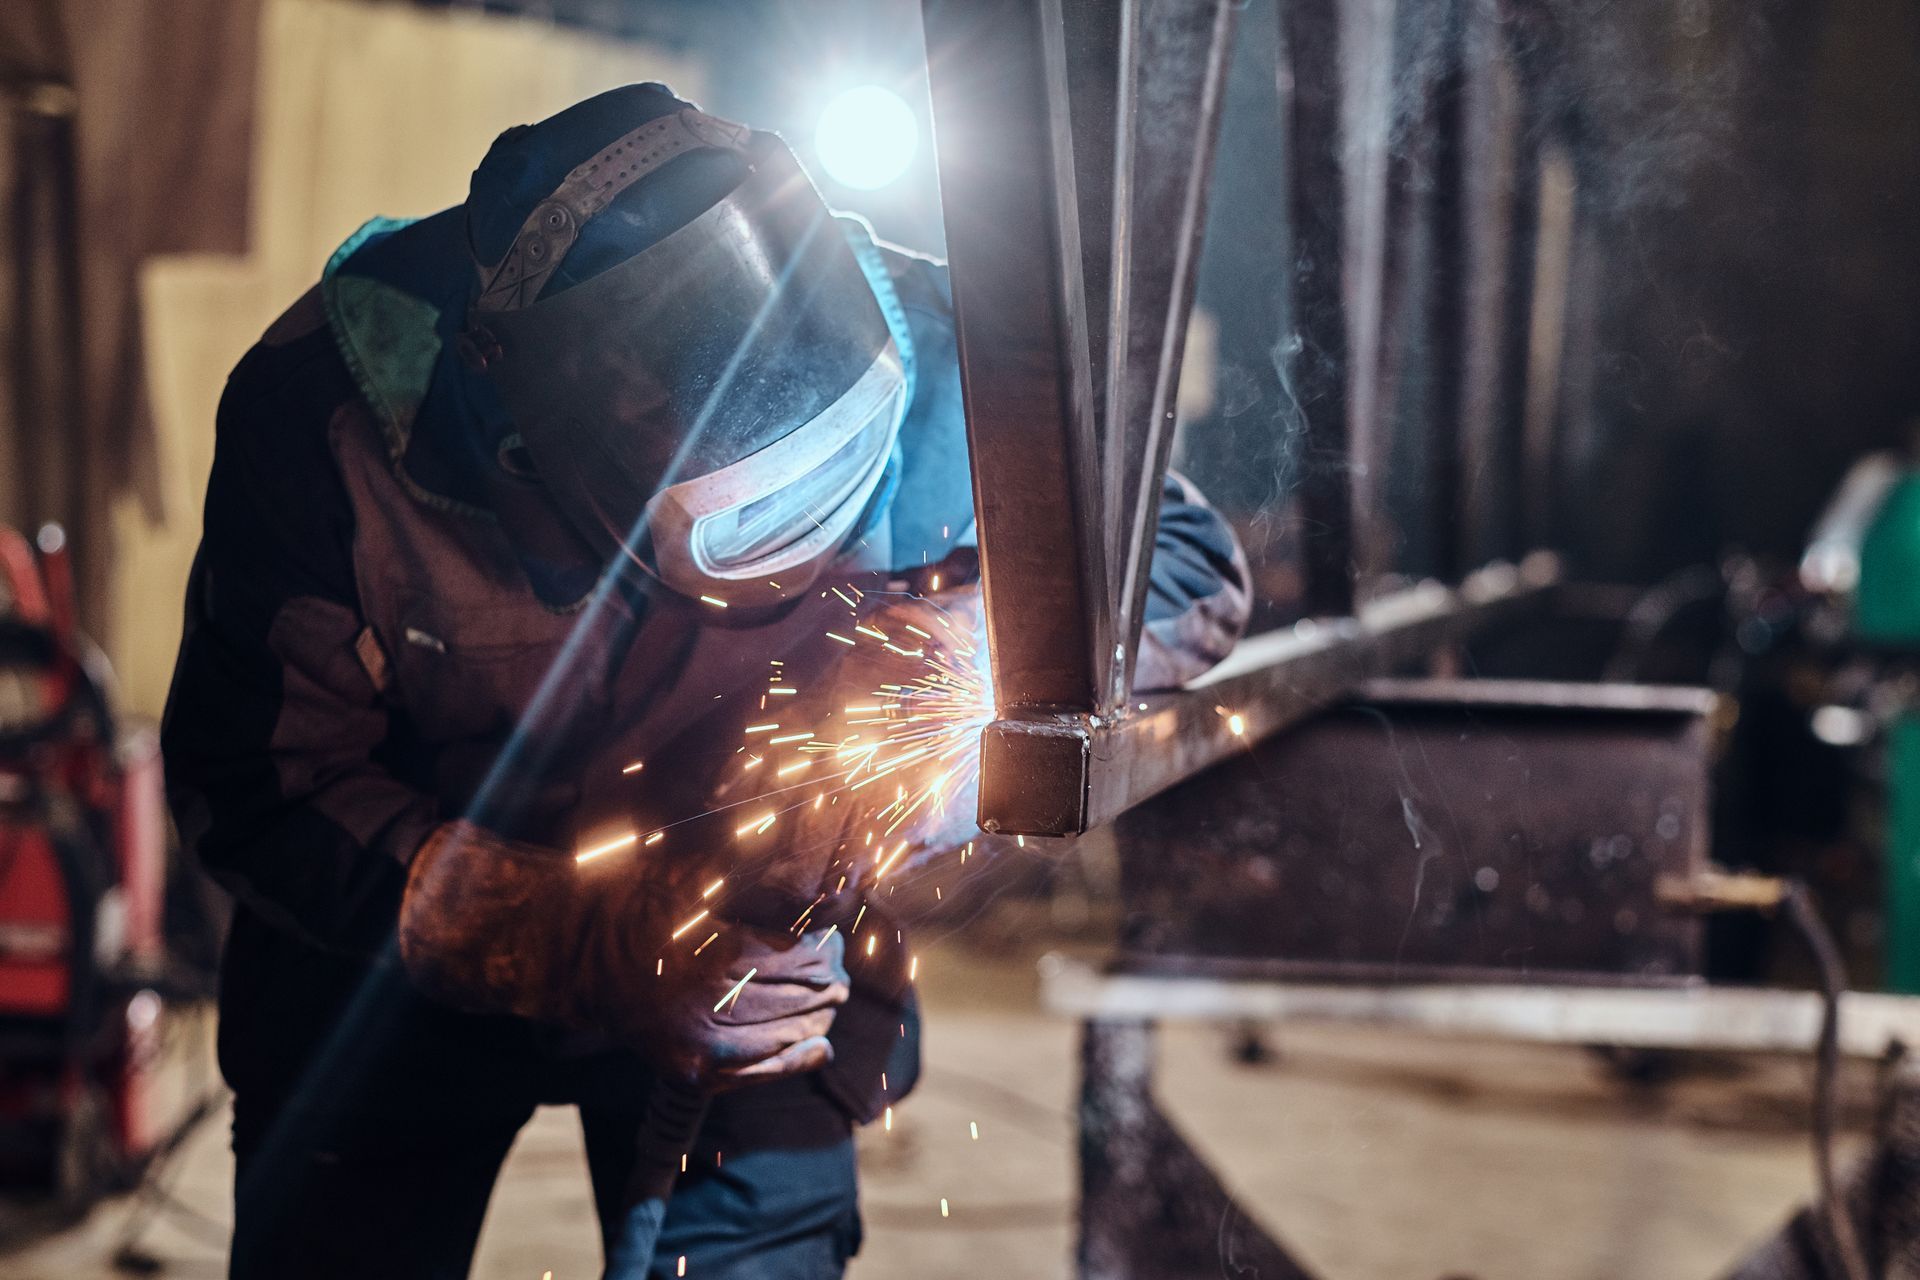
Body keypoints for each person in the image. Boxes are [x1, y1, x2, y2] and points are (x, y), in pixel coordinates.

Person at [162, 83, 1250, 1280]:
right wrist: (582, 943)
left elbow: (1187, 562)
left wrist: (963, 650)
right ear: (545, 435)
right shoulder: (327, 418)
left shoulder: (948, 356)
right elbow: (258, 782)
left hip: (764, 968)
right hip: (395, 975)